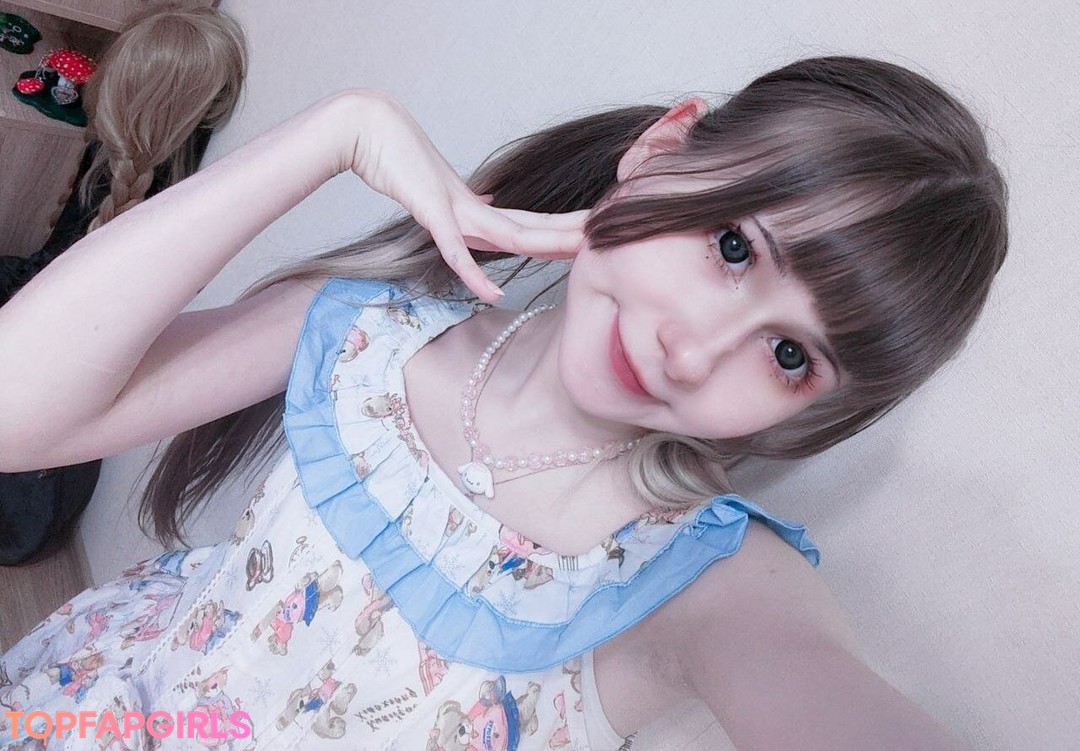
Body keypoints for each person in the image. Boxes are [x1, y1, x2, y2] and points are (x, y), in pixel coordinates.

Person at [0, 56, 1006, 750]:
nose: (694, 348)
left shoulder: (698, 578)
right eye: (733, 246)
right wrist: (338, 131)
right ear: (662, 149)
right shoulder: (369, 333)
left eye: (789, 354)